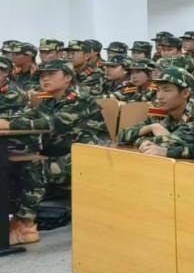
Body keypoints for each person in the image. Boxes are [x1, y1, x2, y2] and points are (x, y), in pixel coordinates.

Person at [0, 59, 111, 245]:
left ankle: (26, 226)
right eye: (42, 75)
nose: (45, 79)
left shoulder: (80, 99)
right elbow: (28, 116)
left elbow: (54, 124)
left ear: (67, 77)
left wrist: (10, 125)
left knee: (35, 166)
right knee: (12, 162)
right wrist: (8, 121)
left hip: (87, 157)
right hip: (63, 155)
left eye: (51, 74)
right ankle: (13, 219)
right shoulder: (49, 100)